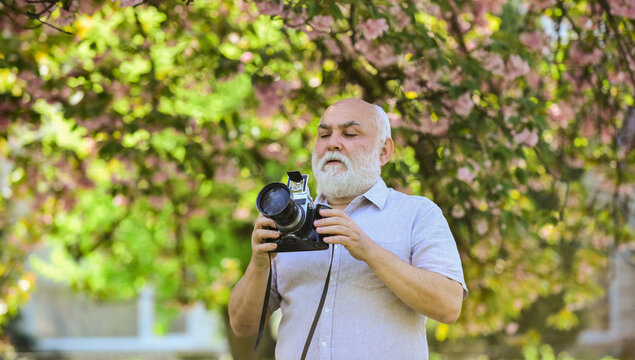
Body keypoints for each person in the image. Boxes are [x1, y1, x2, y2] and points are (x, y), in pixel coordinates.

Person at [228, 98, 467, 359]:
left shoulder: (418, 214)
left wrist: (367, 250)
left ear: (384, 151)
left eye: (350, 133)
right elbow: (243, 326)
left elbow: (448, 306)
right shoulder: (289, 222)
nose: (333, 143)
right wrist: (258, 264)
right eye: (324, 134)